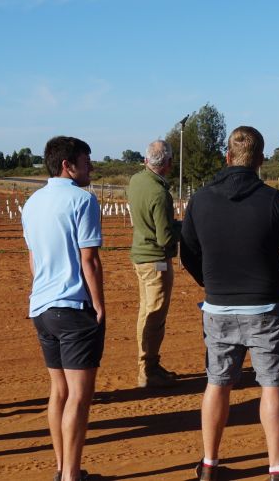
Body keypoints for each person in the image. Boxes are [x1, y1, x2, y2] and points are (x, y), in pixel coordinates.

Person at [180, 126, 279, 481]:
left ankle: (209, 465)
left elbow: (188, 254)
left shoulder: (200, 199)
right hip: (265, 309)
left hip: (218, 309)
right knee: (272, 385)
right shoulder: (274, 200)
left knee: (217, 383)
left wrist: (212, 285)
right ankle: (278, 469)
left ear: (226, 157)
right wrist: (277, 290)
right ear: (260, 160)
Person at [21, 136, 106, 481]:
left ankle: (62, 468)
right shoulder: (83, 200)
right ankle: (72, 475)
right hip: (73, 306)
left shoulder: (32, 203)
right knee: (80, 397)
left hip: (42, 306)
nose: (91, 168)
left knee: (59, 391)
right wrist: (99, 305)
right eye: (86, 162)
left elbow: (32, 258)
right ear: (67, 165)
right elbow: (90, 259)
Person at [127, 139, 180, 388]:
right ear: (168, 163)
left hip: (140, 257)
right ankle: (147, 370)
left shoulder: (136, 181)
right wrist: (185, 229)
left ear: (146, 160)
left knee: (145, 312)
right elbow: (165, 237)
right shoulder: (160, 194)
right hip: (156, 260)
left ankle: (147, 364)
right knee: (155, 317)